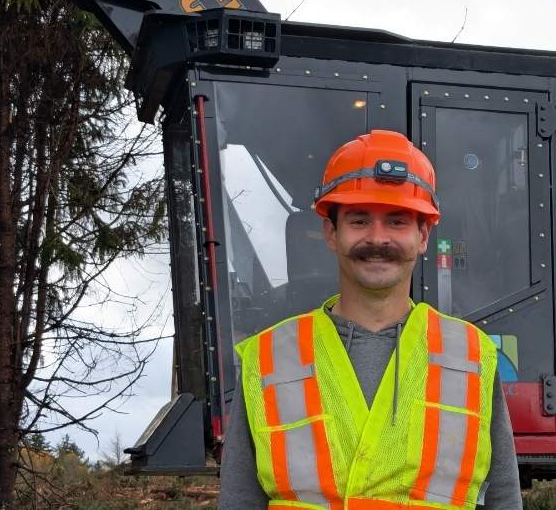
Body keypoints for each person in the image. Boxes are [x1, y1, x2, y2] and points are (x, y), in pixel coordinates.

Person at [220, 130, 522, 509]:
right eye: (360, 221)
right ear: (331, 233)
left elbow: (503, 497)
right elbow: (239, 499)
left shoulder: (471, 356)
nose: (378, 239)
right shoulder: (268, 359)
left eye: (396, 221)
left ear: (423, 234)